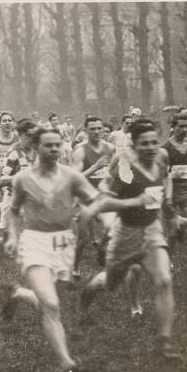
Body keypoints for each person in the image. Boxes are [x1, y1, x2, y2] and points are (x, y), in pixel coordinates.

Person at [2, 129, 102, 372]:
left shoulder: (72, 177)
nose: (55, 150)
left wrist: (96, 212)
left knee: (52, 302)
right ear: (36, 148)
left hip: (64, 242)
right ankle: (67, 362)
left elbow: (96, 198)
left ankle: (19, 294)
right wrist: (13, 237)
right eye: (49, 145)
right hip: (34, 241)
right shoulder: (22, 179)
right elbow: (13, 211)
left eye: (58, 145)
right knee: (51, 303)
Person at [80, 119, 180, 358]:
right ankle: (85, 300)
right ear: (133, 145)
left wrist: (169, 211)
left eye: (155, 142)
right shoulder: (126, 165)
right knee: (110, 282)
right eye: (144, 143)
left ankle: (164, 342)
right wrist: (135, 201)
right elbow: (105, 202)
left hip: (152, 228)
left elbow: (163, 183)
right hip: (126, 232)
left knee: (164, 281)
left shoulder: (163, 157)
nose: (151, 147)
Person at [72, 117, 116, 277]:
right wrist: (94, 167)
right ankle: (75, 268)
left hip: (103, 197)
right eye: (93, 129)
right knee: (83, 239)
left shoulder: (110, 147)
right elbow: (75, 177)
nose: (97, 132)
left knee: (111, 228)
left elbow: (119, 169)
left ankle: (102, 250)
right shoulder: (80, 150)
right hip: (85, 198)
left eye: (99, 128)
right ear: (85, 131)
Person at [162, 113, 187, 239]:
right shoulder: (165, 148)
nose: (184, 129)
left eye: (186, 126)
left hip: (186, 190)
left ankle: (181, 222)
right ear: (173, 127)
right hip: (169, 192)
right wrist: (167, 197)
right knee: (170, 236)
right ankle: (174, 223)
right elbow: (163, 175)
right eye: (181, 126)